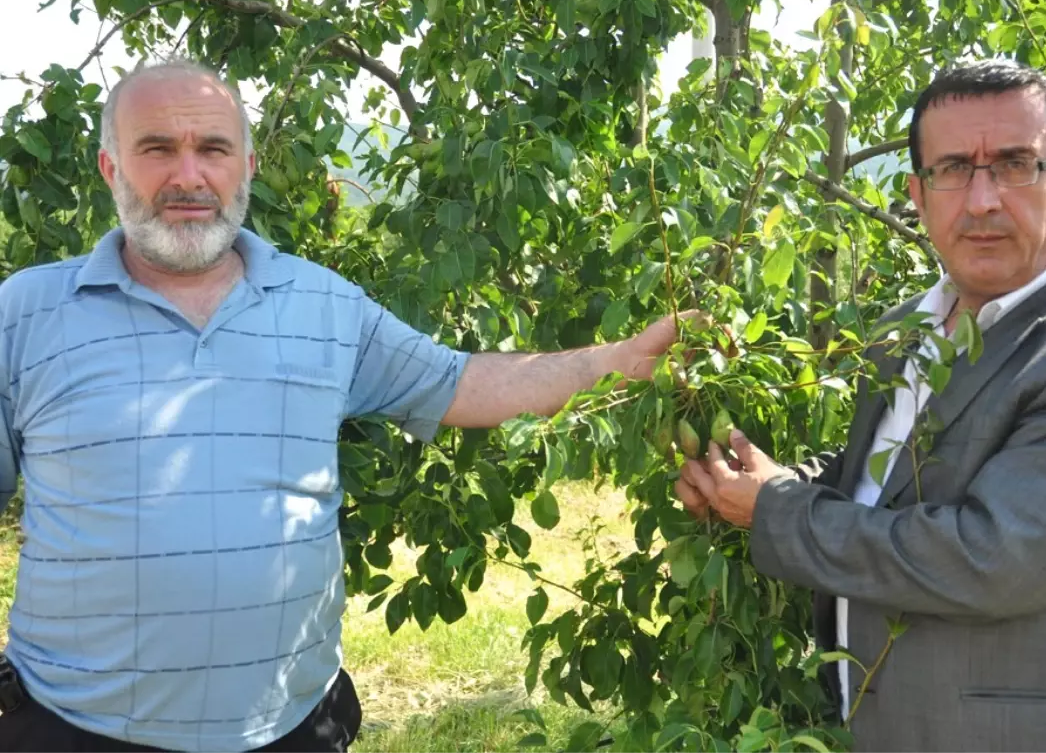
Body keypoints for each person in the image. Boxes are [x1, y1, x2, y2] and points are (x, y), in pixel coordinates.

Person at [0, 59, 685, 753]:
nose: (188, 177)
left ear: (248, 166)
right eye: (156, 149)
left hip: (292, 726)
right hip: (71, 729)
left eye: (212, 149)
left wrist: (611, 363)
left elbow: (459, 383)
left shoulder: (324, 304)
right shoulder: (24, 314)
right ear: (110, 168)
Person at [675, 59, 1046, 753]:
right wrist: (768, 478)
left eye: (1015, 165)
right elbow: (883, 476)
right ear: (918, 196)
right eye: (954, 168)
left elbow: (996, 558)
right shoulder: (906, 325)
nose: (981, 200)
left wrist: (775, 509)